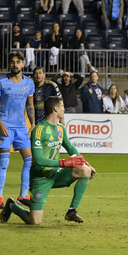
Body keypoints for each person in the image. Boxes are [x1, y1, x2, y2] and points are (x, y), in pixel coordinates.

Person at [0, 96, 97, 224]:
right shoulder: (39, 130)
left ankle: (71, 211)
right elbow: (39, 159)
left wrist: (85, 163)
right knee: (34, 221)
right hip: (40, 177)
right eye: (62, 106)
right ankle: (12, 205)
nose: (64, 109)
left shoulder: (60, 128)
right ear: (55, 109)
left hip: (56, 173)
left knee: (84, 170)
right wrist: (64, 163)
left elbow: (70, 147)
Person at [0, 51, 35, 209]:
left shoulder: (28, 83)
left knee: (29, 160)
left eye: (18, 62)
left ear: (23, 64)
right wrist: (0, 124)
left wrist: (32, 124)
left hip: (21, 128)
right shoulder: (2, 83)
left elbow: (30, 106)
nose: (15, 64)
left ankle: (23, 196)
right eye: (12, 62)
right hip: (5, 127)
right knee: (3, 163)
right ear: (9, 64)